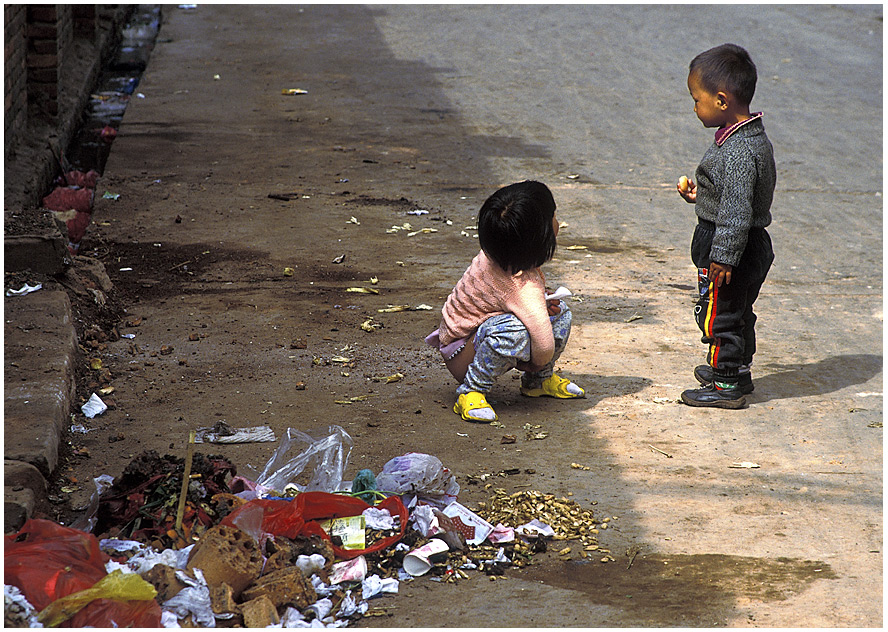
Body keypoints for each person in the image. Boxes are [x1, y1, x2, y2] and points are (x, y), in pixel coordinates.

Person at [425, 180, 584, 422]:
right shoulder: (521, 285)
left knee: (559, 312)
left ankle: (537, 383)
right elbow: (543, 348)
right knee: (516, 331)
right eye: (553, 217)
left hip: (466, 337)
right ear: (540, 238)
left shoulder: (496, 253)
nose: (557, 222)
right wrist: (535, 362)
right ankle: (471, 391)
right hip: (462, 354)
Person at [677, 43, 776, 409]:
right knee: (738, 311)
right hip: (747, 243)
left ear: (721, 100)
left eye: (696, 99)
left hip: (733, 248)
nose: (694, 107)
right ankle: (737, 369)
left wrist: (723, 257)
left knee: (722, 317)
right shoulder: (751, 138)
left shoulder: (737, 152)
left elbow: (736, 212)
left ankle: (726, 384)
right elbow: (738, 197)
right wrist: (701, 197)